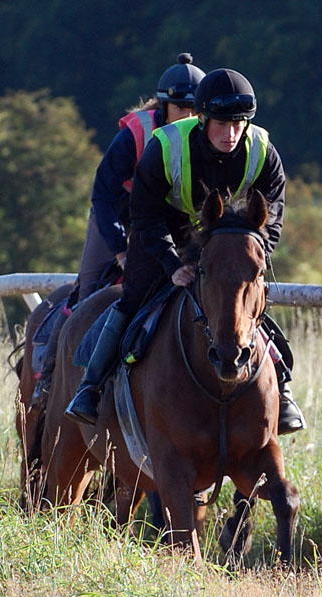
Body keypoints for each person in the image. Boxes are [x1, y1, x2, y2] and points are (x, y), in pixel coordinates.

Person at [65, 67, 305, 435]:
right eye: (222, 124)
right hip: (163, 223)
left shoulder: (264, 151)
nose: (231, 134)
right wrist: (171, 263)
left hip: (223, 230)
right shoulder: (165, 146)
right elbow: (143, 214)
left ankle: (282, 387)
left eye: (238, 124)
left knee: (241, 298)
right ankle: (90, 388)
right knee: (134, 297)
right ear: (203, 119)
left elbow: (273, 213)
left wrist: (256, 255)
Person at [30, 54, 205, 407]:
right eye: (181, 109)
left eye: (194, 110)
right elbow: (104, 197)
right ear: (165, 106)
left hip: (173, 221)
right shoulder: (133, 136)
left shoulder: (209, 135)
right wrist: (120, 251)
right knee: (90, 288)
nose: (189, 118)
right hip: (119, 217)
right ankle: (49, 377)